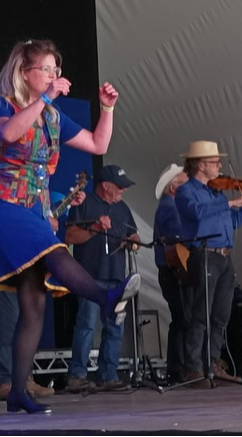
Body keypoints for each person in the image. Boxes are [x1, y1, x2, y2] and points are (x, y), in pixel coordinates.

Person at [0, 39, 139, 414]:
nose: (52, 76)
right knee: (57, 253)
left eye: (55, 70)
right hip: (6, 205)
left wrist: (107, 109)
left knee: (34, 303)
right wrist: (45, 98)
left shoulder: (53, 118)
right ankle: (105, 298)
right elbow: (9, 134)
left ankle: (17, 392)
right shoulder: (6, 105)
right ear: (23, 72)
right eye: (45, 69)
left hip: (36, 209)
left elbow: (97, 144)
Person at [175, 140, 242, 387]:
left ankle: (212, 364)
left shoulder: (215, 193)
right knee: (201, 314)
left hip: (224, 257)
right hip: (205, 254)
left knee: (220, 315)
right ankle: (193, 368)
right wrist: (229, 203)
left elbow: (235, 221)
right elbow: (197, 212)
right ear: (200, 165)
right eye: (215, 162)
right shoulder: (187, 191)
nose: (220, 166)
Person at [0, 189, 86, 402]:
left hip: (24, 265)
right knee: (9, 323)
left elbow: (42, 213)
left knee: (26, 321)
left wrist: (64, 205)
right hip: (7, 263)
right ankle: (6, 380)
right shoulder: (10, 185)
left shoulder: (34, 189)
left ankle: (22, 379)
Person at [64, 164, 140, 393]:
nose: (123, 190)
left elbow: (134, 235)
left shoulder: (122, 208)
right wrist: (95, 227)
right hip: (89, 276)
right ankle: (77, 375)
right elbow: (70, 236)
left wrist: (132, 243)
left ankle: (108, 375)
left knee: (115, 327)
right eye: (120, 186)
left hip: (116, 276)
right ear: (106, 186)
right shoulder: (84, 202)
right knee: (86, 325)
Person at [153, 163, 192, 384]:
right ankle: (179, 369)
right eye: (184, 184)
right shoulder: (170, 207)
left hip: (173, 270)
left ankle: (178, 368)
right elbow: (180, 233)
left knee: (181, 318)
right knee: (183, 318)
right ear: (172, 187)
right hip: (173, 271)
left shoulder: (169, 206)